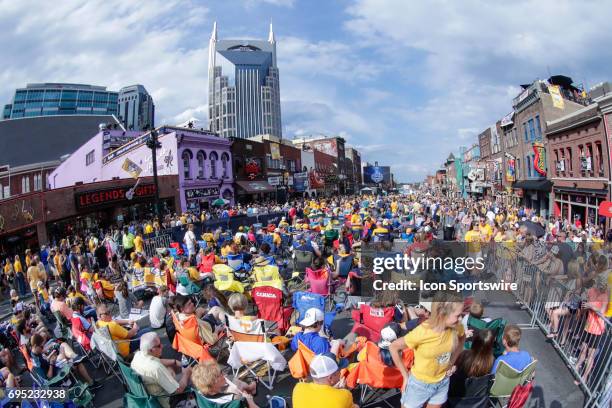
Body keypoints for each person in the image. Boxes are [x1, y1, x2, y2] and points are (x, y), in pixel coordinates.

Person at [390, 295, 465, 408]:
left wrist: (451, 362)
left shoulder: (456, 327)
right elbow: (394, 347)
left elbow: (462, 338)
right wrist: (405, 376)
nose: (460, 319)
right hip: (419, 385)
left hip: (442, 381)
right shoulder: (422, 332)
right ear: (442, 314)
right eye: (458, 316)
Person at [130, 332, 192, 408]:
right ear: (151, 350)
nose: (162, 346)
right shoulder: (156, 368)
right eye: (159, 346)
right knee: (192, 383)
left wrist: (174, 361)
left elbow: (155, 360)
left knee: (170, 369)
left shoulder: (138, 355)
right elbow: (177, 390)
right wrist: (186, 374)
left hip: (147, 394)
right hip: (165, 401)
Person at [449, 329, 495, 400]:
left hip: (458, 393)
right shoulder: (492, 360)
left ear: (475, 342)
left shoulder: (465, 355)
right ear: (490, 346)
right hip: (477, 396)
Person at [191, 360, 258, 408]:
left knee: (235, 383)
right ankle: (251, 390)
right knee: (238, 387)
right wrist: (248, 400)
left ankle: (251, 388)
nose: (224, 374)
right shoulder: (234, 400)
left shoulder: (198, 392)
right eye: (220, 373)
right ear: (214, 382)